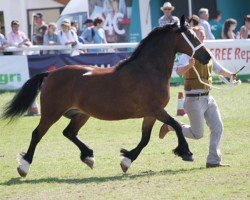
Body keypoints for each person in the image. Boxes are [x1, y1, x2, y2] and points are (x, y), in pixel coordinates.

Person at [159, 26, 236, 168]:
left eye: (204, 36)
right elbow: (179, 72)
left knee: (218, 127)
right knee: (197, 134)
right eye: (200, 36)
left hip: (208, 97)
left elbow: (218, 69)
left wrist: (230, 74)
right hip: (193, 99)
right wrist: (188, 66)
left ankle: (213, 160)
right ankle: (171, 126)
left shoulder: (207, 53)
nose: (203, 38)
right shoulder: (186, 55)